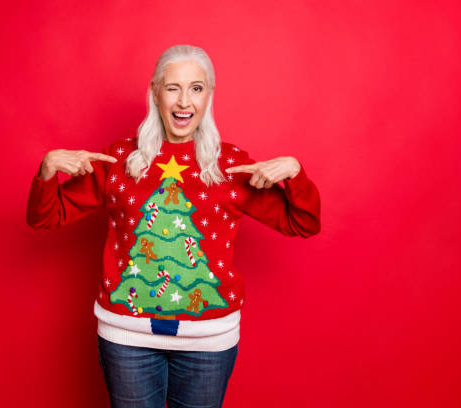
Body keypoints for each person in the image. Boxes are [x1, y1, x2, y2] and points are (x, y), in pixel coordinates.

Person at [26, 44, 321, 408]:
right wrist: (46, 172)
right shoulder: (119, 161)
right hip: (127, 339)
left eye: (196, 88)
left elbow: (303, 223)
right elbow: (44, 217)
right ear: (154, 93)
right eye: (173, 88)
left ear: (209, 95)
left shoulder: (230, 166)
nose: (184, 101)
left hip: (207, 343)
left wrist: (295, 174)